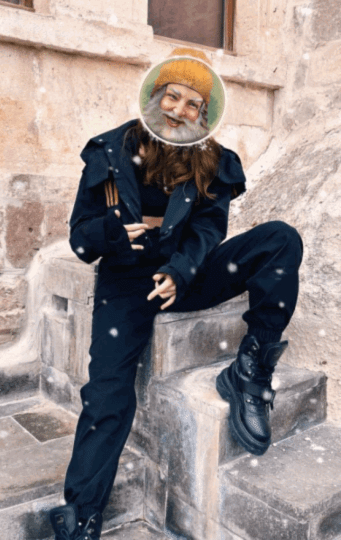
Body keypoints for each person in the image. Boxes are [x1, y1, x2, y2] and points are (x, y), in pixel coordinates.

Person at [49, 48, 303, 540]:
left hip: (187, 274)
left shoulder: (214, 162)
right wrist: (112, 234)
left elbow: (208, 229)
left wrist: (181, 270)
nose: (179, 110)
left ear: (203, 115)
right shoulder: (108, 150)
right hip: (126, 283)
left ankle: (251, 369)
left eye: (192, 104)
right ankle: (82, 515)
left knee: (281, 239)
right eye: (173, 97)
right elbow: (80, 239)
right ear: (155, 96)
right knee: (108, 395)